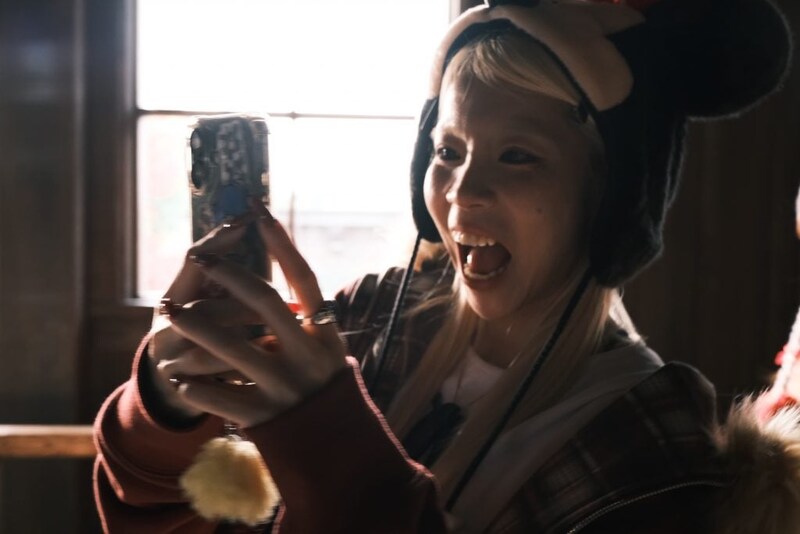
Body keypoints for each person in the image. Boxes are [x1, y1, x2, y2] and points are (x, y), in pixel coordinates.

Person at [93, 1, 798, 532]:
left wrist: (327, 437)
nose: (462, 193)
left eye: (517, 156)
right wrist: (164, 408)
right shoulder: (369, 320)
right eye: (448, 151)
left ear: (610, 197)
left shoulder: (647, 445)